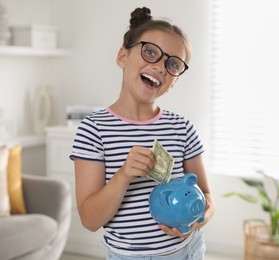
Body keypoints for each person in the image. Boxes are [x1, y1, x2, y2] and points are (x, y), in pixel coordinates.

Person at [69, 6, 215, 260]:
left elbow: (208, 198)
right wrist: (123, 175)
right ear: (122, 56)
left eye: (173, 64)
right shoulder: (93, 130)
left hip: (187, 251)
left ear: (175, 80)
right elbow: (90, 220)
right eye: (150, 52)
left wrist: (197, 221)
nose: (160, 66)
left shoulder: (182, 128)